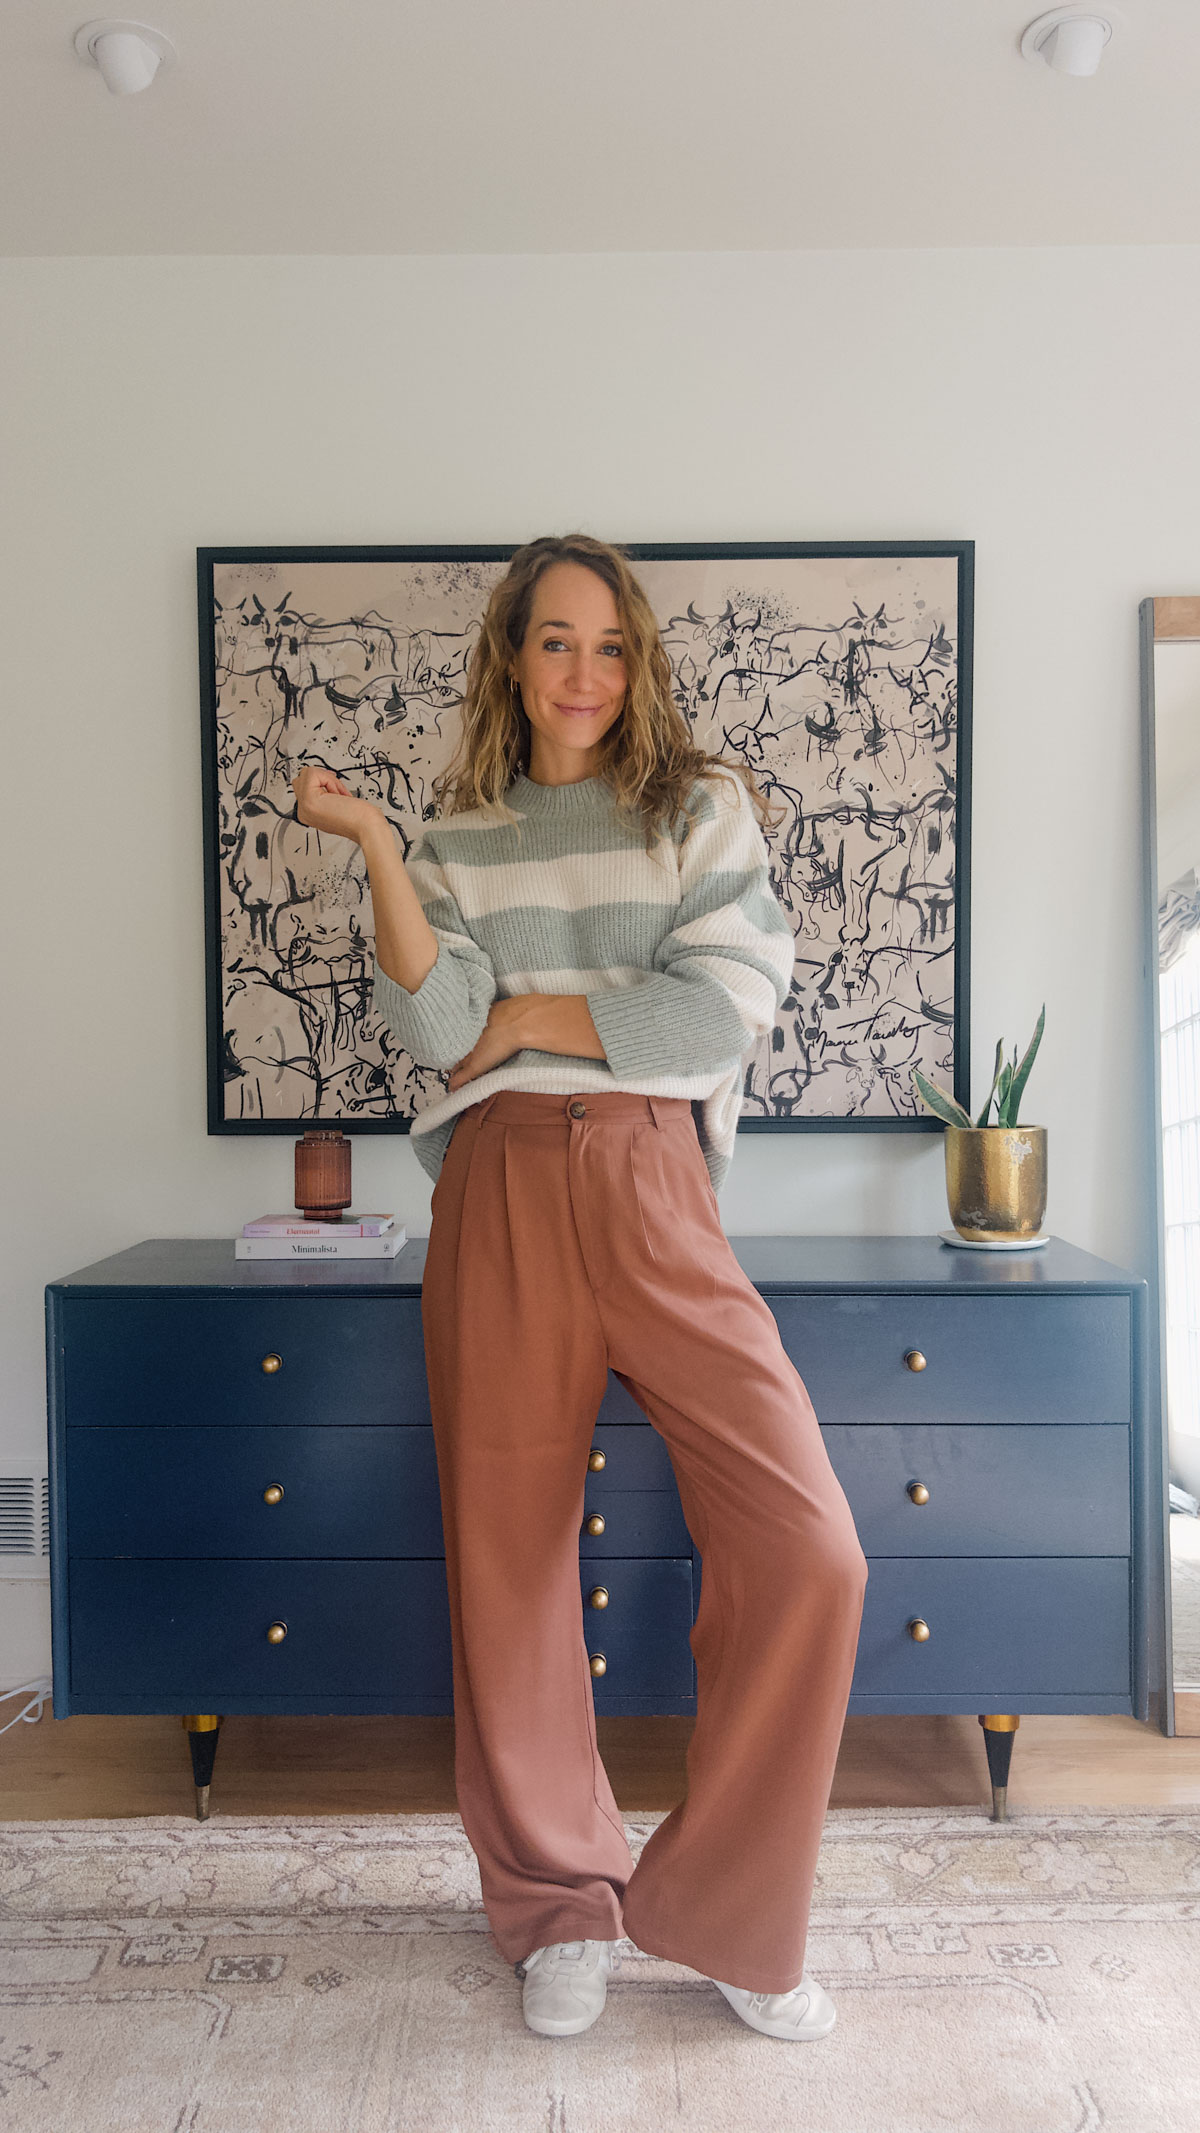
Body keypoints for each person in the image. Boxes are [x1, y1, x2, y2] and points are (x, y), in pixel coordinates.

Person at [292, 532, 868, 2043]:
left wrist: (536, 1011)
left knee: (811, 1545)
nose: (584, 674)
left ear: (643, 660)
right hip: (498, 1190)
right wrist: (370, 850)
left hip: (652, 1178)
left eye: (610, 646)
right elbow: (442, 1032)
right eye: (555, 641)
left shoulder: (700, 806)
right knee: (511, 1560)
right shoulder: (458, 835)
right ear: (511, 654)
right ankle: (560, 1900)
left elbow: (717, 1012)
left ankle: (733, 1913)